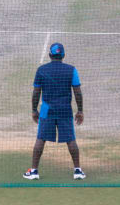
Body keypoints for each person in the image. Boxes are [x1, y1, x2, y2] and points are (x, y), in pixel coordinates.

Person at [24, 43, 85, 180]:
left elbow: (36, 92)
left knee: (41, 139)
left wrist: (34, 110)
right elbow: (77, 92)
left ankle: (34, 171)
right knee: (70, 139)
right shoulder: (71, 70)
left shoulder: (41, 70)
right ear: (63, 55)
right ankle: (77, 171)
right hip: (65, 109)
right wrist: (80, 110)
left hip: (47, 110)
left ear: (50, 55)